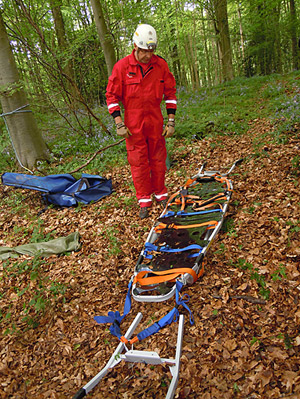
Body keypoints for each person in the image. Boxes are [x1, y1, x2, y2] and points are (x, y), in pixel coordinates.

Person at [106, 24, 177, 219]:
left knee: (158, 158)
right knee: (138, 162)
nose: (148, 55)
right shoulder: (122, 67)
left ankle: (160, 192)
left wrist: (171, 122)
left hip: (155, 119)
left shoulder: (161, 65)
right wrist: (119, 123)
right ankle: (144, 199)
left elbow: (170, 94)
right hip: (133, 122)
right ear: (135, 47)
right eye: (144, 51)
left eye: (151, 50)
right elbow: (111, 97)